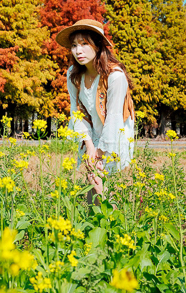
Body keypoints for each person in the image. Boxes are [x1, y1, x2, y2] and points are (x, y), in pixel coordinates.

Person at [55, 19, 135, 203]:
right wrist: (89, 144)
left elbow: (114, 118)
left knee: (100, 182)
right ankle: (94, 223)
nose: (78, 51)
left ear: (98, 46)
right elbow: (76, 110)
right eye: (74, 45)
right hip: (91, 132)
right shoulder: (73, 75)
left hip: (114, 133)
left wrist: (100, 152)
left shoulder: (115, 76)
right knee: (93, 182)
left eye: (84, 44)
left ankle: (111, 224)